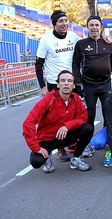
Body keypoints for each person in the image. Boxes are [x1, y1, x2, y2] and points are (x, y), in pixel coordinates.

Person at [22, 70, 93, 173]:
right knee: (36, 161)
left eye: (69, 81)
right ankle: (47, 156)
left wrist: (67, 126)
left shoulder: (75, 98)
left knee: (88, 128)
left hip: (65, 136)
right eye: (63, 80)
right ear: (58, 84)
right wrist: (36, 148)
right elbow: (27, 123)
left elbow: (83, 117)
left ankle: (76, 159)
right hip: (47, 139)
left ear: (73, 86)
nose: (66, 83)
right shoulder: (48, 100)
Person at [35, 10, 80, 162]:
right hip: (54, 83)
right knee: (57, 117)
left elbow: (90, 42)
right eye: (60, 21)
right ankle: (60, 148)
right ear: (54, 24)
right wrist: (42, 86)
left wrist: (105, 38)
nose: (64, 24)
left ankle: (72, 142)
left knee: (73, 113)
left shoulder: (74, 37)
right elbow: (38, 64)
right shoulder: (46, 40)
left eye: (66, 20)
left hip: (71, 82)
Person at [72, 15, 112, 130]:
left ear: (101, 27)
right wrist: (78, 82)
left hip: (105, 84)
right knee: (90, 114)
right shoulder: (81, 44)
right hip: (88, 85)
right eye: (91, 25)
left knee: (108, 113)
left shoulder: (108, 43)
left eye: (97, 25)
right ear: (87, 27)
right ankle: (88, 142)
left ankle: (108, 140)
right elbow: (75, 63)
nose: (94, 28)